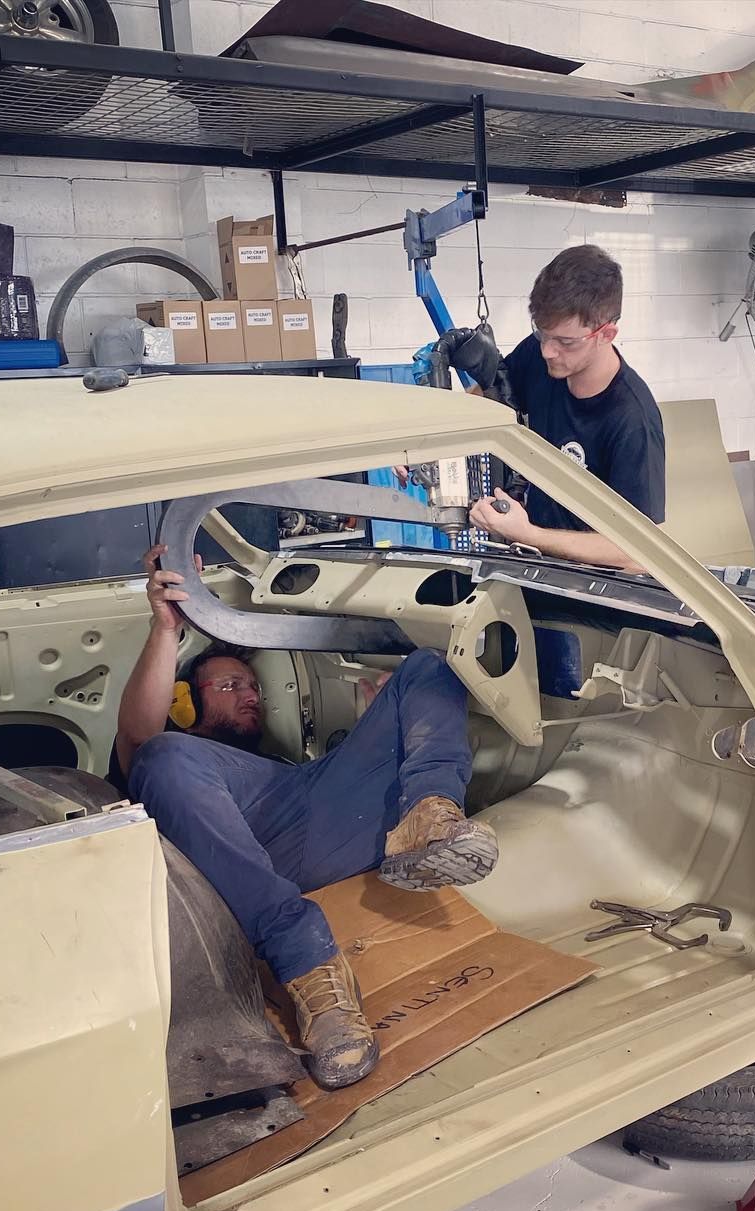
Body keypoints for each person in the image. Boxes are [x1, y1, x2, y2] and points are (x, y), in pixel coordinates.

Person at [115, 546, 497, 1091]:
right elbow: (139, 737)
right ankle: (311, 972)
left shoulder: (282, 762)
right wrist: (166, 628)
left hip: (308, 807)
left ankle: (430, 816)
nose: (249, 695)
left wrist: (383, 727)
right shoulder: (172, 758)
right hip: (238, 856)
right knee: (161, 754)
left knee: (430, 667)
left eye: (252, 686)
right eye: (229, 686)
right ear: (185, 704)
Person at [457, 244, 666, 571]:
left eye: (566, 342)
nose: (548, 352)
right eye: (542, 334)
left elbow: (640, 553)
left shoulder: (632, 419)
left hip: (589, 590)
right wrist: (425, 440)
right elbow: (488, 397)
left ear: (606, 334)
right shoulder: (540, 356)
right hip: (534, 569)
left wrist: (528, 534)